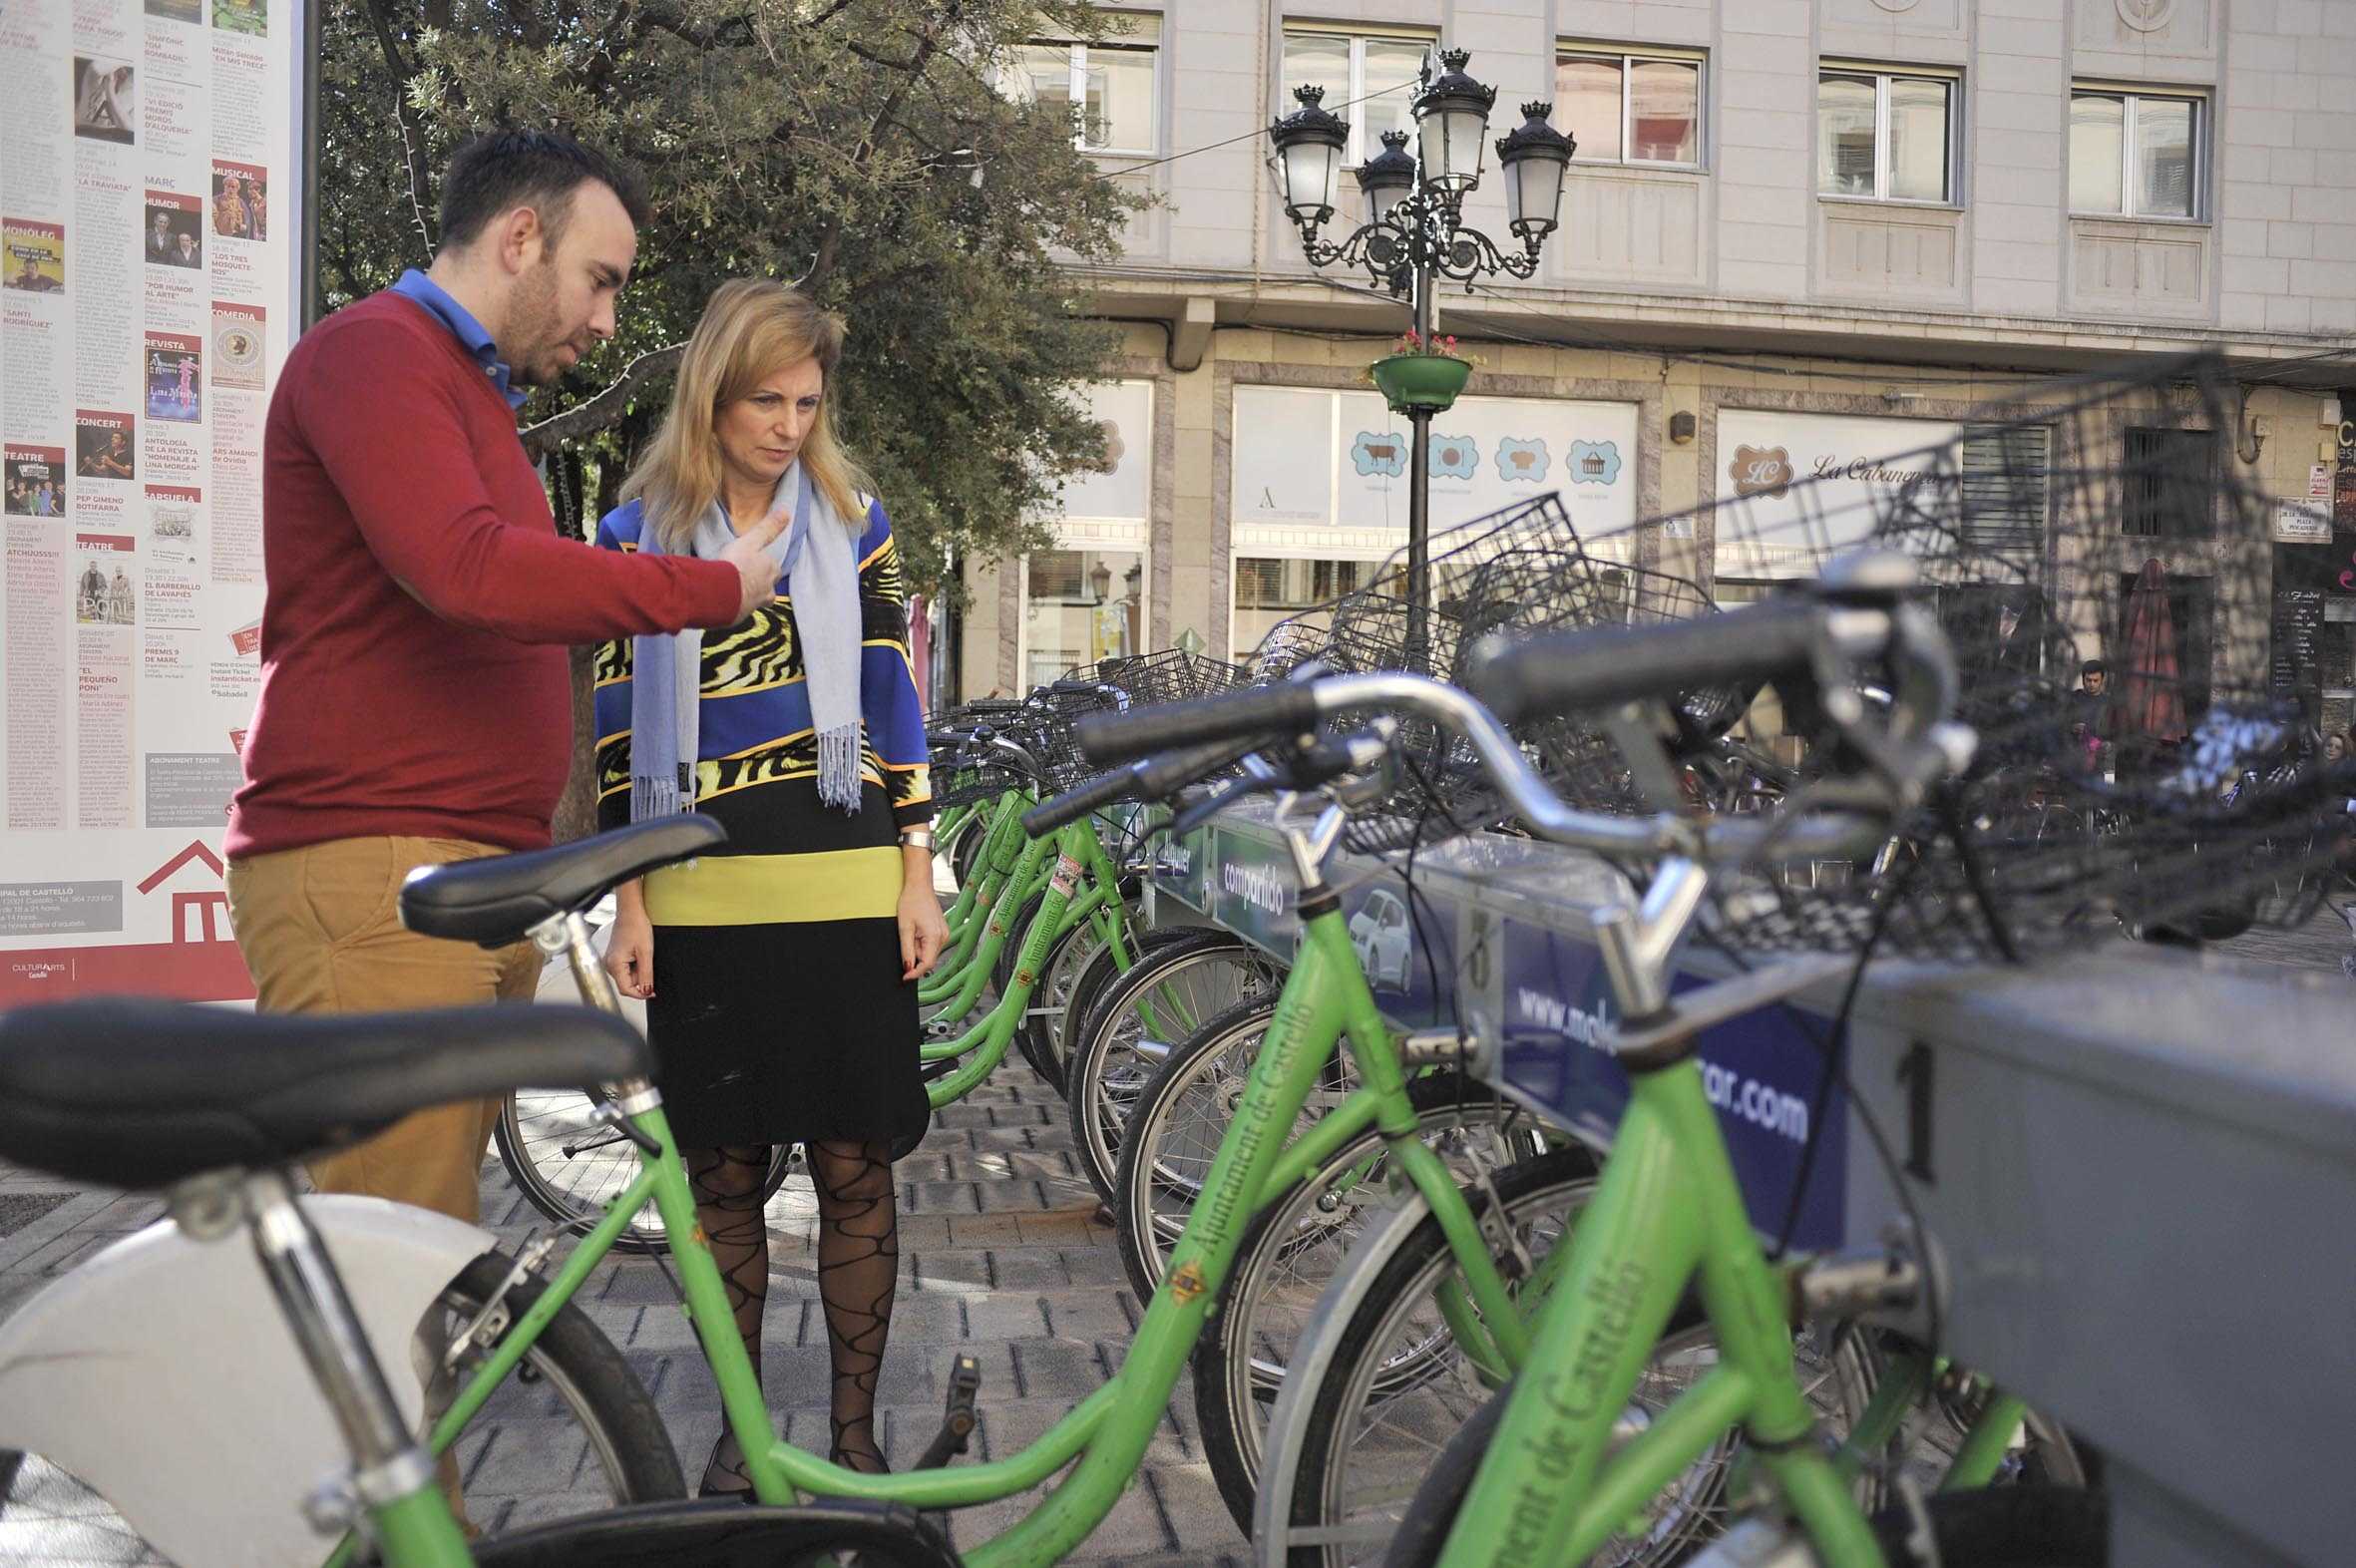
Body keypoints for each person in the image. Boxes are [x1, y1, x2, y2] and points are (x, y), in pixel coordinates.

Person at [223, 130, 796, 1232]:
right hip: (375, 870)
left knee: (427, 1254)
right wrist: (705, 589)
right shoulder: (374, 353)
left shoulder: (467, 394)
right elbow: (465, 567)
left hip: (451, 879)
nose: (605, 322)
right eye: (600, 281)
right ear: (520, 236)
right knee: (390, 1269)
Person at [593, 278, 946, 1491]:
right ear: (712, 393)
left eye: (806, 401)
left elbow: (897, 704)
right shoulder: (630, 533)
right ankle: (743, 1440)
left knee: (856, 1166)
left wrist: (918, 873)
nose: (790, 424)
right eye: (765, 399)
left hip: (847, 887)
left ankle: (853, 1438)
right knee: (724, 1175)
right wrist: (630, 900)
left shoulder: (854, 522)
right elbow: (608, 729)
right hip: (700, 893)